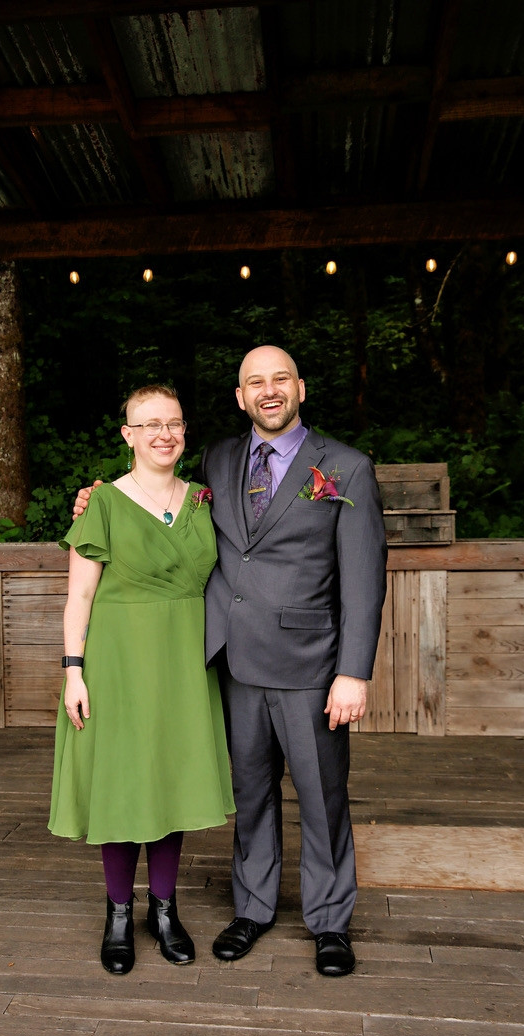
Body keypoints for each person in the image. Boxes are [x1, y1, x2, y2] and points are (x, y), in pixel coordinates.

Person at [74, 347, 386, 977]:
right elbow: (153, 497)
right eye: (254, 383)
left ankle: (329, 922)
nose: (268, 392)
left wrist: (353, 671)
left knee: (323, 798)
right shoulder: (216, 460)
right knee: (251, 794)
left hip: (311, 665)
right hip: (230, 662)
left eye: (279, 380)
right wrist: (95, 496)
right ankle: (253, 908)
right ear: (240, 397)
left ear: (300, 387)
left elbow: (364, 578)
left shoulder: (345, 468)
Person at [50, 384, 234, 976]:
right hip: (119, 663)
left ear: (185, 431)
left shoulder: (205, 500)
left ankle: (165, 911)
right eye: (149, 424)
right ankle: (118, 916)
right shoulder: (102, 504)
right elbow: (80, 594)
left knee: (171, 785)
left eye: (174, 423)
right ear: (127, 434)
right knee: (124, 785)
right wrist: (73, 672)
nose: (164, 434)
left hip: (184, 664)